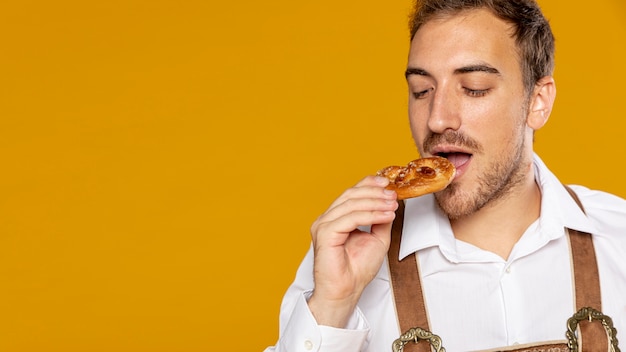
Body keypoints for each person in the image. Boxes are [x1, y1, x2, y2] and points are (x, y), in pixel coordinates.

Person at [264, 0, 626, 351]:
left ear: (538, 101)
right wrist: (332, 306)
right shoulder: (348, 261)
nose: (437, 119)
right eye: (422, 91)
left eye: (474, 88)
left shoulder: (618, 240)